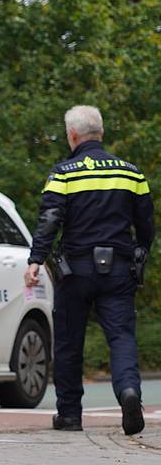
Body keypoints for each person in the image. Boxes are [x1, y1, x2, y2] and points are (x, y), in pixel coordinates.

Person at [25, 105, 153, 435]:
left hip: (75, 270)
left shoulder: (64, 173)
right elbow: (146, 226)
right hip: (119, 271)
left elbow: (50, 219)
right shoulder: (131, 173)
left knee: (69, 342)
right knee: (122, 337)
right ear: (102, 132)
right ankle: (129, 392)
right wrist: (140, 253)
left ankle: (69, 415)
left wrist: (36, 260)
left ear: (72, 135)